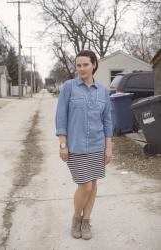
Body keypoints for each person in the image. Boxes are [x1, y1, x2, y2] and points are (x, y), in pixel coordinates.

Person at [55, 50, 113, 240]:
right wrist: (63, 144)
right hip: (76, 146)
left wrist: (109, 146)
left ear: (94, 65)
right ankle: (76, 219)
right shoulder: (69, 87)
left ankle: (86, 221)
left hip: (97, 144)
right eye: (78, 65)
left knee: (94, 184)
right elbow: (61, 117)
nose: (81, 69)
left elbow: (107, 121)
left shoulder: (103, 90)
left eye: (85, 64)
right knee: (85, 185)